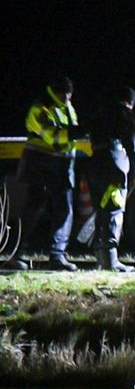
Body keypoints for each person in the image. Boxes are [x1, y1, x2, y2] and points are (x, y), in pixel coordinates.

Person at [5, 76, 82, 271]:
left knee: (64, 210)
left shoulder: (68, 107)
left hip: (62, 166)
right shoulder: (40, 108)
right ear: (53, 91)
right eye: (62, 92)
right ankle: (16, 254)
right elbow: (53, 138)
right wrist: (75, 133)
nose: (66, 96)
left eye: (69, 93)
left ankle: (57, 256)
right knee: (33, 210)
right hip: (39, 165)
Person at [88, 85, 135, 272]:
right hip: (114, 165)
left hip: (96, 163)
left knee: (101, 208)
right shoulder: (124, 113)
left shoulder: (99, 113)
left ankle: (101, 259)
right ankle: (111, 262)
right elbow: (131, 141)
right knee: (114, 210)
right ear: (129, 102)